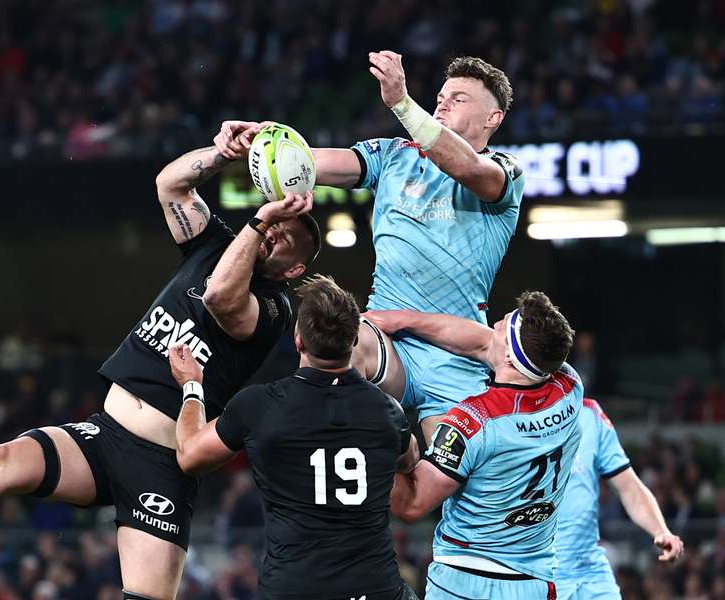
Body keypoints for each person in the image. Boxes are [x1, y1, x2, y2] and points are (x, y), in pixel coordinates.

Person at [0, 132, 322, 599]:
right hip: (104, 435)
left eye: (286, 235)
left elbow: (219, 295)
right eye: (275, 222)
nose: (275, 230)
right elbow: (169, 185)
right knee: (3, 461)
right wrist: (221, 154)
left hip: (160, 467)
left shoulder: (273, 308)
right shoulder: (214, 243)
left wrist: (259, 222)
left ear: (296, 268)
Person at [217, 54, 525, 444]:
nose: (443, 102)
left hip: (455, 351)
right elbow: (308, 162)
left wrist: (402, 103)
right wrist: (262, 142)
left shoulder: (505, 170)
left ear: (492, 118)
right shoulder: (394, 154)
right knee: (335, 343)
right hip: (385, 339)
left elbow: (467, 168)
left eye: (459, 98)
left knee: (443, 486)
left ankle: (403, 458)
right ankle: (314, 467)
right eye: (442, 96)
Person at [169, 275, 419, 600]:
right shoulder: (389, 412)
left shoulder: (259, 405)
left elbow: (189, 456)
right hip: (374, 588)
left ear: (298, 339)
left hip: (292, 588)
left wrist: (191, 386)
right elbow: (409, 459)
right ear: (355, 339)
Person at [366, 291, 579, 599]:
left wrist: (383, 444)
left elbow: (412, 505)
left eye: (501, 327)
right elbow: (482, 343)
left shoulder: (472, 422)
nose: (493, 324)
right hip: (532, 582)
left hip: (465, 582)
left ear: (508, 357)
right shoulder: (569, 386)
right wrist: (408, 321)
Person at [554, 397, 684, 599]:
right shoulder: (504, 416)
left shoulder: (589, 414)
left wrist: (660, 530)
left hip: (591, 572)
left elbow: (630, 488)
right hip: (535, 575)